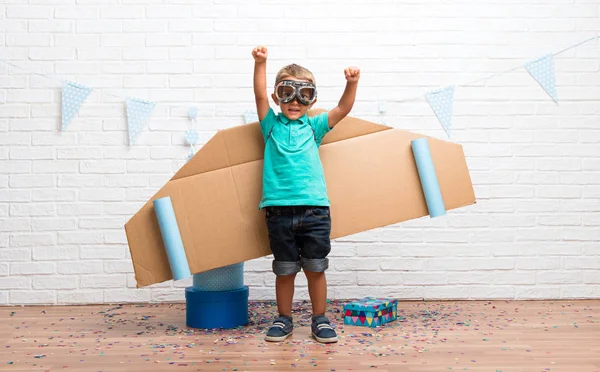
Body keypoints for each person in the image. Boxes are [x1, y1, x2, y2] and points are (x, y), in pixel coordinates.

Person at [251, 46, 360, 343]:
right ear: (277, 97)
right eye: (287, 92)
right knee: (285, 270)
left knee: (315, 268)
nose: (295, 101)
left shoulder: (314, 126)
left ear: (312, 99)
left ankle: (319, 319)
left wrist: (351, 84)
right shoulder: (270, 126)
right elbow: (259, 95)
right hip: (278, 212)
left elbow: (343, 109)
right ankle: (284, 319)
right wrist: (261, 63)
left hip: (315, 211)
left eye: (304, 94)